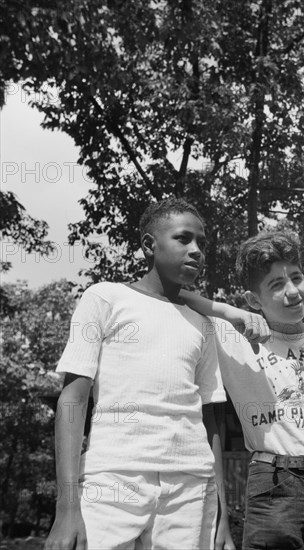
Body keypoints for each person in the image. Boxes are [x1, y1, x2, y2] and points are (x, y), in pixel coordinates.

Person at [45, 198, 233, 550]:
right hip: (113, 478)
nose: (196, 251)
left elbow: (211, 418)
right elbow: (73, 400)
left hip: (191, 486)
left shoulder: (203, 325)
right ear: (149, 244)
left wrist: (221, 512)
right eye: (183, 239)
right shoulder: (104, 298)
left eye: (203, 244)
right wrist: (67, 507)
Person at [182, 230, 304, 550]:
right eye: (276, 285)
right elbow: (173, 292)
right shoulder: (232, 337)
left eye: (297, 277)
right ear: (253, 300)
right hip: (275, 484)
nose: (293, 292)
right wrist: (230, 312)